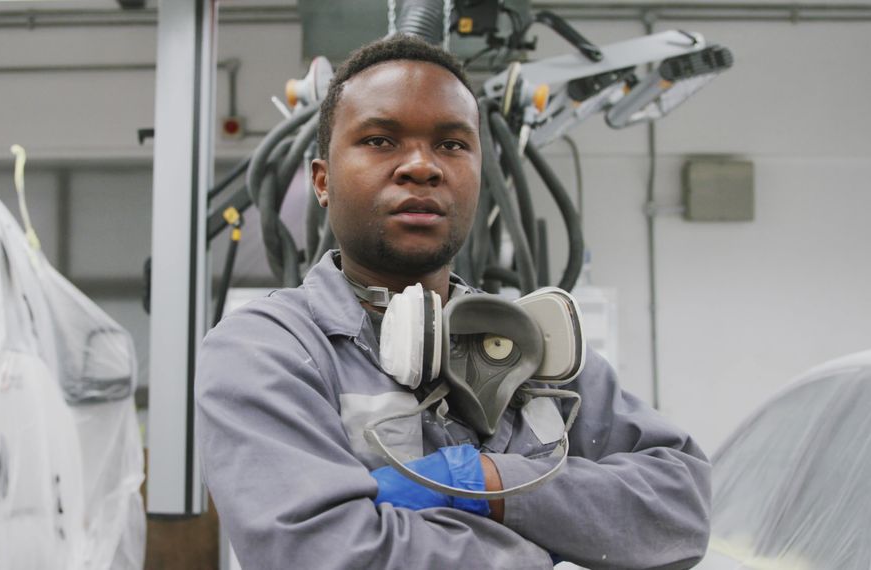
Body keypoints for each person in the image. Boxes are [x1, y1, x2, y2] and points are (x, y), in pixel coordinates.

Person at [194, 35, 710, 569]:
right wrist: (551, 542)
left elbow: (680, 511)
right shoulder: (267, 351)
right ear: (322, 182)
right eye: (379, 140)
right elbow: (322, 555)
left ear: (478, 175)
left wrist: (484, 482)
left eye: (452, 144)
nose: (422, 166)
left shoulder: (531, 347)